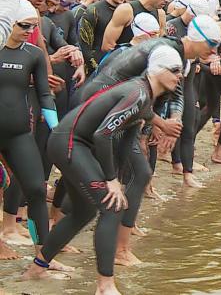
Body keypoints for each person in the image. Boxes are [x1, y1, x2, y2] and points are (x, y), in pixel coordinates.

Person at [24, 46, 183, 295]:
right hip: (69, 143)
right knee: (112, 206)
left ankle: (38, 267)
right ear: (158, 70)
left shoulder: (144, 95)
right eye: (175, 70)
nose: (179, 76)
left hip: (74, 143)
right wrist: (110, 180)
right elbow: (104, 134)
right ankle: (105, 285)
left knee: (84, 211)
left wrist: (116, 177)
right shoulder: (137, 93)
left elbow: (124, 138)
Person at [0, 0, 61, 266]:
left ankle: (43, 256)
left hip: (17, 132)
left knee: (36, 189)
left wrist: (57, 128)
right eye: (23, 25)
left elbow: (45, 95)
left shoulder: (33, 54)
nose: (29, 31)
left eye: (33, 27)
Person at [101, 0, 169, 53]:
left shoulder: (161, 14)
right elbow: (107, 46)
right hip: (125, 63)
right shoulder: (126, 10)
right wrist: (131, 47)